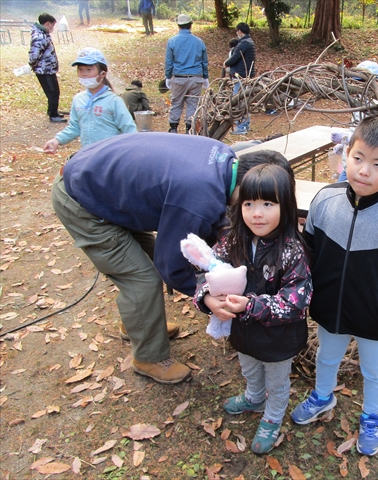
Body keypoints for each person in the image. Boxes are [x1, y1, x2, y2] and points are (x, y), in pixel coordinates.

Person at [50, 132, 293, 384]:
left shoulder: (223, 158)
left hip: (102, 182)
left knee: (150, 255)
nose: (259, 211)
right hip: (81, 197)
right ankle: (148, 357)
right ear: (249, 186)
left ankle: (141, 324)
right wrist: (207, 296)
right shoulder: (197, 194)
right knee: (142, 278)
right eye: (259, 201)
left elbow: (210, 219)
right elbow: (171, 265)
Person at [291, 116, 378, 457]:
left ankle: (371, 417)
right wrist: (311, 290)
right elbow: (310, 248)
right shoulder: (325, 199)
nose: (364, 171)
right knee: (327, 355)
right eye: (358, 158)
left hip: (372, 314)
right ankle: (322, 395)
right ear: (346, 154)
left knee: (375, 370)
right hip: (329, 305)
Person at [193, 163, 312, 455]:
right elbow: (206, 269)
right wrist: (207, 298)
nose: (256, 213)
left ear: (286, 206)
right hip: (243, 332)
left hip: (278, 339)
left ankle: (272, 416)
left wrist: (252, 305)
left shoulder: (292, 250)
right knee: (249, 367)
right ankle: (254, 397)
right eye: (249, 203)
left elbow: (297, 300)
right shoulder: (234, 239)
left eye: (267, 204)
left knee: (277, 379)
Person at [43, 48, 136, 154]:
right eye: (80, 69)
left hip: (111, 157)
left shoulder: (114, 101)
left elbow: (129, 129)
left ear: (103, 73)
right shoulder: (78, 100)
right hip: (88, 156)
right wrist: (57, 140)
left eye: (89, 69)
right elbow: (75, 127)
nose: (84, 74)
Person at [165, 14, 209, 134]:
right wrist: (205, 77)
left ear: (178, 25)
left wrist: (168, 77)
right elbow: (204, 61)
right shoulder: (199, 42)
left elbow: (169, 61)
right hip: (196, 78)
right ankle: (189, 128)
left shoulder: (172, 41)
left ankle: (173, 128)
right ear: (191, 25)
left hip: (179, 78)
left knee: (177, 102)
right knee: (192, 104)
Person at [29, 13, 66, 123]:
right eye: (52, 26)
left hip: (48, 69)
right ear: (47, 23)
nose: (52, 28)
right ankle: (53, 115)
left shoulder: (43, 34)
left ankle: (52, 111)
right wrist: (33, 65)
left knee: (54, 91)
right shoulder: (39, 37)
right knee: (53, 93)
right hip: (44, 70)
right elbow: (34, 55)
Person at [223, 22, 256, 135]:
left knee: (239, 101)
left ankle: (241, 126)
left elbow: (235, 57)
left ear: (240, 31)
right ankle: (245, 124)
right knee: (244, 101)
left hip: (240, 76)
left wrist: (226, 63)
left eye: (237, 31)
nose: (237, 33)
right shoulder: (250, 42)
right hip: (246, 75)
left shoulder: (243, 43)